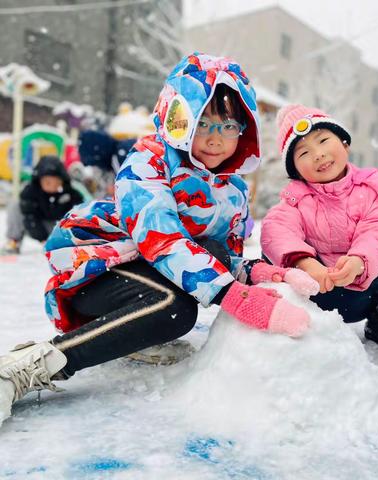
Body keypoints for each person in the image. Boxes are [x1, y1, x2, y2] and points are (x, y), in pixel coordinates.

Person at [0, 53, 319, 425]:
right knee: (177, 309)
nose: (216, 139)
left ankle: (139, 334)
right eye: (204, 124)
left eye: (229, 126)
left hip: (145, 273)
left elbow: (225, 259)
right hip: (94, 269)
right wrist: (241, 299)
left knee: (205, 261)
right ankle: (30, 366)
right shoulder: (148, 161)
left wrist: (268, 275)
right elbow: (161, 240)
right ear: (180, 120)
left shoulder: (232, 190)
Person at [261, 104, 378, 358]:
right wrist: (306, 263)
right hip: (319, 293)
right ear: (295, 171)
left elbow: (377, 232)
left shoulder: (372, 190)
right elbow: (276, 230)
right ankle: (290, 324)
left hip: (364, 288)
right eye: (303, 152)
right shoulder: (295, 199)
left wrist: (360, 261)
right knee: (269, 259)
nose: (318, 154)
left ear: (345, 144)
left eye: (324, 140)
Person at [2, 155, 85, 254]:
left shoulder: (70, 194)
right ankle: (13, 241)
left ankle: (74, 244)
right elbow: (29, 216)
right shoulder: (31, 192)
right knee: (15, 206)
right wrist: (42, 238)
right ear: (39, 180)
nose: (52, 185)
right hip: (36, 226)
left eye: (56, 182)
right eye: (47, 182)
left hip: (60, 229)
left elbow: (80, 214)